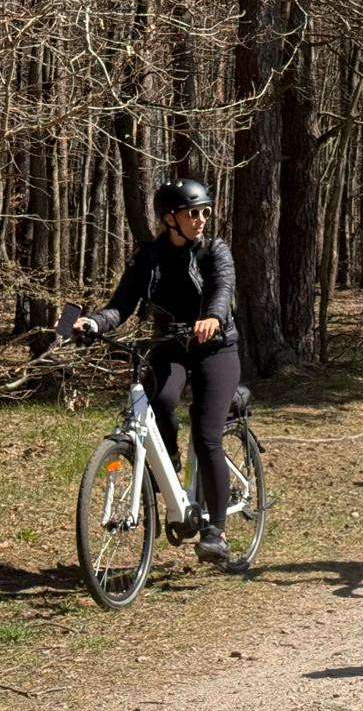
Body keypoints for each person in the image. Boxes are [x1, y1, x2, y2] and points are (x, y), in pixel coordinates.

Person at [79, 178, 242, 567]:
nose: (201, 219)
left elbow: (221, 289)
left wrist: (213, 317)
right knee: (162, 401)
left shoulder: (215, 250)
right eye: (192, 213)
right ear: (170, 219)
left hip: (215, 349)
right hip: (170, 347)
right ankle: (165, 467)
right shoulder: (147, 257)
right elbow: (121, 306)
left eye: (205, 211)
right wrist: (94, 324)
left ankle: (215, 532)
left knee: (206, 437)